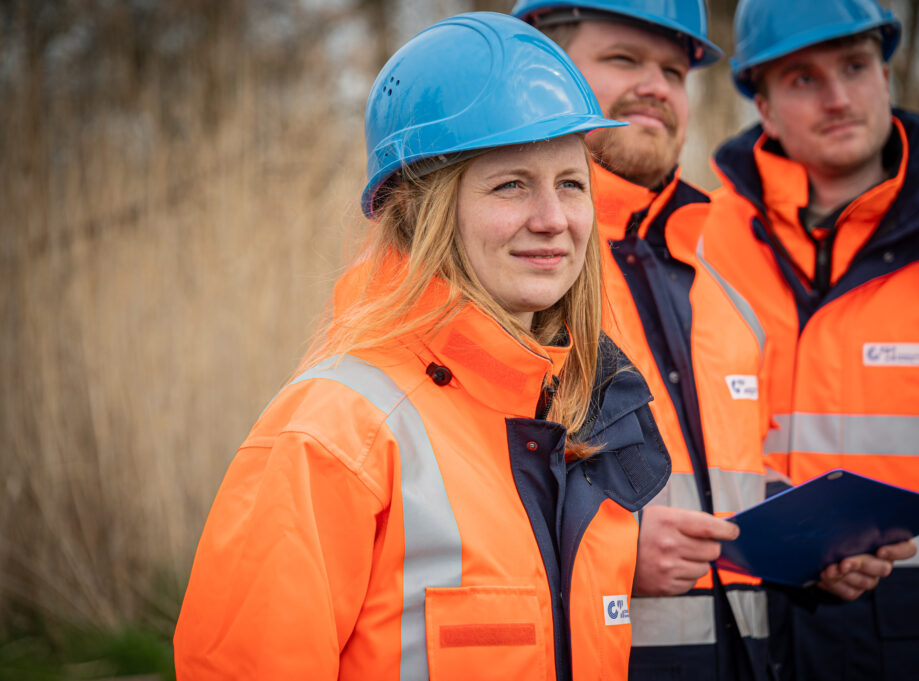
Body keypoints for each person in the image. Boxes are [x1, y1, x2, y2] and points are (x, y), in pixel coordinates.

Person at [172, 12, 673, 680]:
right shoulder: (334, 433)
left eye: (571, 183)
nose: (553, 220)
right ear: (420, 208)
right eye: (512, 184)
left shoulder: (586, 421)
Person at [512, 2, 914, 680]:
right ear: (542, 76)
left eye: (673, 70)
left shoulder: (715, 265)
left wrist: (814, 549)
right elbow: (452, 493)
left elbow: (730, 477)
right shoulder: (513, 260)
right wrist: (618, 550)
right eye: (623, 60)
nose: (657, 86)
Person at [699, 0, 919, 679]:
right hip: (747, 630)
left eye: (855, 66)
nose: (838, 96)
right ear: (761, 103)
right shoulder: (701, 241)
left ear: (886, 72)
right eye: (803, 79)